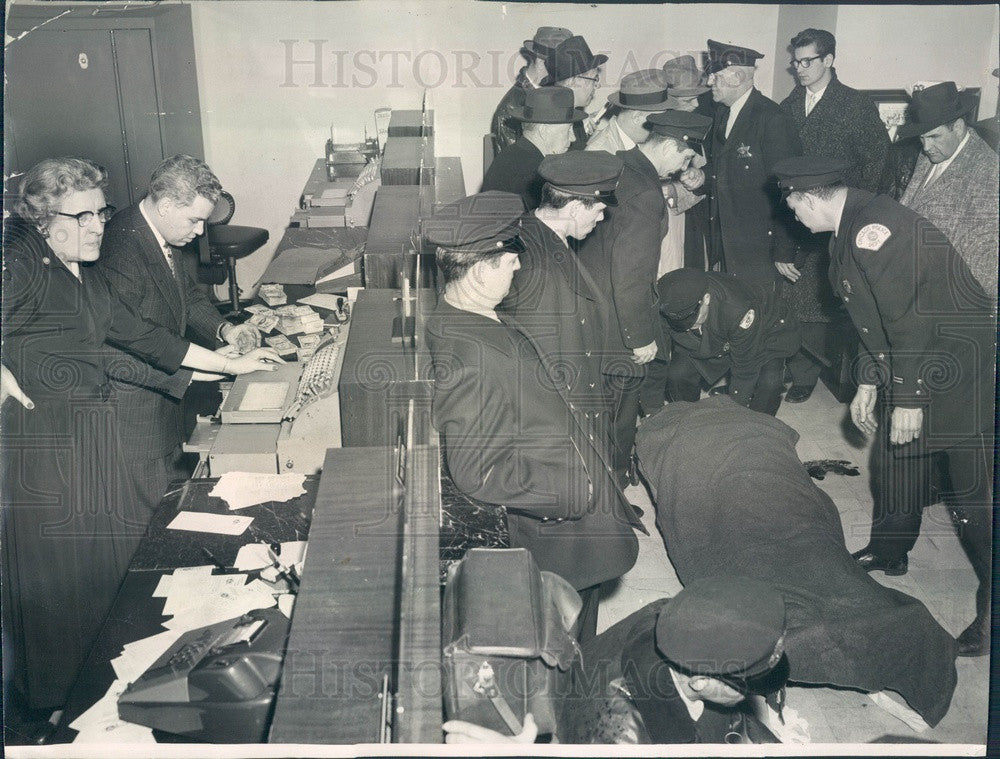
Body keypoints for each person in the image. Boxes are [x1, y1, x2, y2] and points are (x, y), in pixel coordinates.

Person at [0, 158, 281, 728]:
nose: (99, 224)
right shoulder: (26, 263)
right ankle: (59, 710)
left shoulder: (78, 269)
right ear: (41, 220)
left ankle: (101, 698)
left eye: (101, 210)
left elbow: (139, 338)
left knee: (115, 574)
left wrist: (227, 363)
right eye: (83, 215)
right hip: (48, 453)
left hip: (90, 441)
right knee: (67, 588)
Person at [775, 155, 996, 657]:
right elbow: (874, 319)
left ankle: (993, 612)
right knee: (897, 460)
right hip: (915, 355)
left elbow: (910, 317)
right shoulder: (850, 226)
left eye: (791, 205)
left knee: (972, 494)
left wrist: (911, 398)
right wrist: (872, 383)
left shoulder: (877, 230)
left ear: (810, 197)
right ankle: (890, 549)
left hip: (959, 365)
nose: (791, 215)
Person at [635, 396, 959, 728]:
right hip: (752, 479)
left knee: (792, 550)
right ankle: (872, 626)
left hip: (749, 481)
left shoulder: (668, 427)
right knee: (809, 554)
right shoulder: (748, 421)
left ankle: (808, 628)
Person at [425, 192, 640, 643]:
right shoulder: (471, 358)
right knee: (566, 641)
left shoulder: (471, 315)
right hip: (559, 528)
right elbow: (478, 471)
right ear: (482, 269)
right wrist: (574, 492)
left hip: (569, 488)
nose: (519, 267)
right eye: (509, 261)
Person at [96, 155, 261, 523]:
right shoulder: (119, 249)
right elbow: (123, 348)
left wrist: (225, 329)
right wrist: (210, 370)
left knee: (174, 498)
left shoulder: (160, 231)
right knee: (154, 520)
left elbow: (185, 291)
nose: (201, 231)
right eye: (196, 219)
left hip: (164, 401)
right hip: (132, 411)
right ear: (167, 205)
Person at [445, 576, 790, 744]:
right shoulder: (625, 738)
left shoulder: (668, 617)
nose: (752, 695)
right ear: (700, 682)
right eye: (747, 685)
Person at [577, 109, 710, 482]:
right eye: (685, 158)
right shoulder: (647, 195)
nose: (684, 168)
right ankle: (613, 492)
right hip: (619, 322)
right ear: (669, 144)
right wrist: (641, 338)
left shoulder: (619, 165)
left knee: (598, 407)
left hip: (593, 305)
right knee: (620, 414)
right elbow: (632, 276)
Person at [778, 28, 889, 403]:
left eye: (808, 61)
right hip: (797, 217)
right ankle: (801, 370)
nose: (800, 68)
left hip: (839, 217)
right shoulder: (787, 105)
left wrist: (857, 214)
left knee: (830, 301)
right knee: (795, 298)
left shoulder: (855, 105)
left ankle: (824, 375)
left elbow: (877, 163)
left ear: (829, 60)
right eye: (796, 62)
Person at [498, 152, 624, 422]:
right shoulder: (537, 269)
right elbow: (543, 360)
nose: (601, 219)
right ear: (575, 208)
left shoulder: (532, 229)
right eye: (599, 210)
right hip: (565, 412)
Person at [703, 39, 801, 290]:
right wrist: (700, 177)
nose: (708, 82)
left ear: (736, 76)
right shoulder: (723, 113)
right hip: (726, 240)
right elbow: (722, 169)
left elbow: (790, 187)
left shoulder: (771, 118)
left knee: (759, 314)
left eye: (714, 76)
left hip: (760, 247)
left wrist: (784, 249)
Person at [897, 81, 999, 295]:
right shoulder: (935, 153)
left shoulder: (988, 172)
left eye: (934, 136)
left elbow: (984, 265)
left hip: (945, 296)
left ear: (959, 127)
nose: (926, 148)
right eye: (922, 138)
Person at [653, 269, 800, 415]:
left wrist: (733, 416)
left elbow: (745, 368)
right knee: (678, 374)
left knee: (769, 383)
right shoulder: (666, 304)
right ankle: (689, 418)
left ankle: (760, 427)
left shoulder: (737, 308)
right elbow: (659, 360)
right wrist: (652, 408)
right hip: (718, 333)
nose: (689, 326)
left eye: (692, 319)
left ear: (706, 298)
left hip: (765, 330)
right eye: (681, 322)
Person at [481, 86, 585, 209]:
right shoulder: (537, 173)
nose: (573, 138)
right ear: (544, 130)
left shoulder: (514, 154)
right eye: (568, 130)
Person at [659, 55, 713, 274]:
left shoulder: (697, 124)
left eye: (697, 98)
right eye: (688, 100)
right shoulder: (654, 130)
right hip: (666, 218)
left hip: (692, 217)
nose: (697, 104)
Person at [490, 26, 573, 154]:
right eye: (562, 66)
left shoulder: (545, 97)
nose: (568, 75)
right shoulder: (510, 111)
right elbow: (520, 165)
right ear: (541, 62)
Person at [541, 35, 608, 149]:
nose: (598, 85)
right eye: (595, 79)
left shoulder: (574, 116)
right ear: (573, 81)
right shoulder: (553, 125)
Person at [586, 69, 670, 154]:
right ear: (636, 117)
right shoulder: (600, 154)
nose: (661, 126)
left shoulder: (635, 142)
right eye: (658, 119)